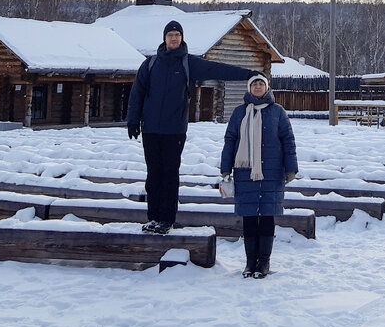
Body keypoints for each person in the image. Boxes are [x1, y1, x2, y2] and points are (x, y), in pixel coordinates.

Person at [126, 19, 256, 235]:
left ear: (182, 38)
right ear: (164, 38)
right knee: (153, 175)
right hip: (150, 129)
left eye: (177, 35)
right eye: (170, 35)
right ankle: (153, 217)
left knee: (169, 175)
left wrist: (247, 74)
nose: (174, 38)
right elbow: (137, 93)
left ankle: (166, 219)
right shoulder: (150, 64)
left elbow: (217, 69)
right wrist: (133, 120)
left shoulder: (188, 63)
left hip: (174, 130)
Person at [220, 73, 298, 278]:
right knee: (249, 217)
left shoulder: (278, 112)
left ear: (267, 88)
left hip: (271, 172)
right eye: (254, 84)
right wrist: (225, 168)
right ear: (249, 88)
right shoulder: (239, 113)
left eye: (260, 84)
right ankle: (249, 262)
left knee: (266, 217)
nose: (257, 87)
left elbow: (288, 141)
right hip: (245, 172)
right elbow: (230, 141)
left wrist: (291, 168)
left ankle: (263, 262)